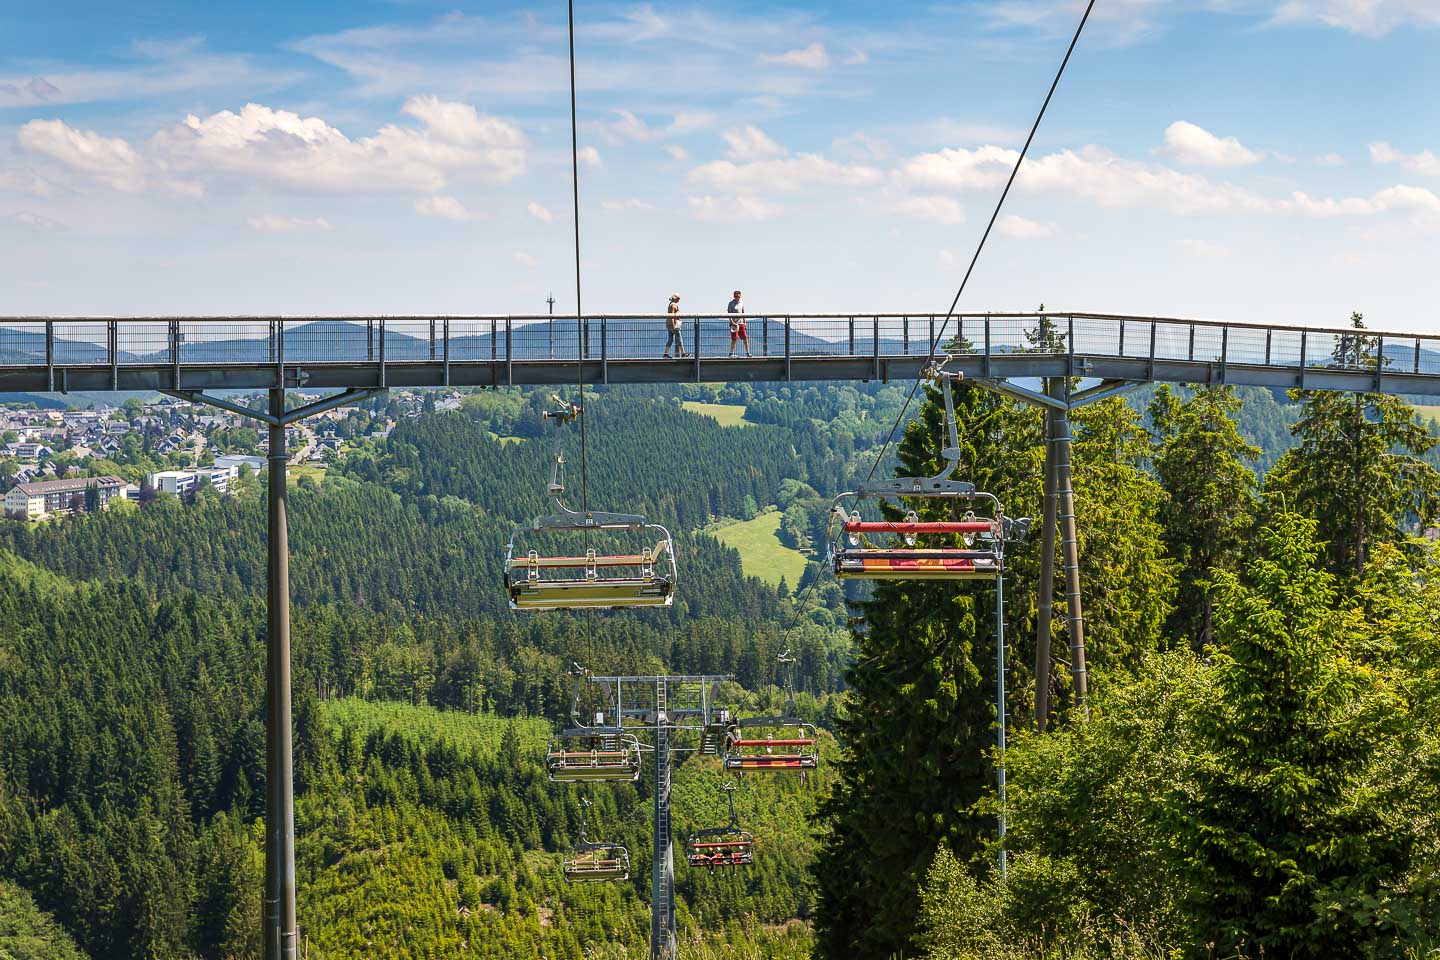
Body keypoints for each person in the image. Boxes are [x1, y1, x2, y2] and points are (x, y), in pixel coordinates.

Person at [727, 289, 750, 357]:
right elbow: (729, 314)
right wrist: (732, 322)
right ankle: (731, 353)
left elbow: (743, 313)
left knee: (745, 337)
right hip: (734, 323)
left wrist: (745, 322)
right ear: (734, 296)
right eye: (736, 296)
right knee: (734, 338)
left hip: (741, 323)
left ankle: (748, 352)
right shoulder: (731, 303)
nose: (737, 297)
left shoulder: (742, 303)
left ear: (740, 296)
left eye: (738, 296)